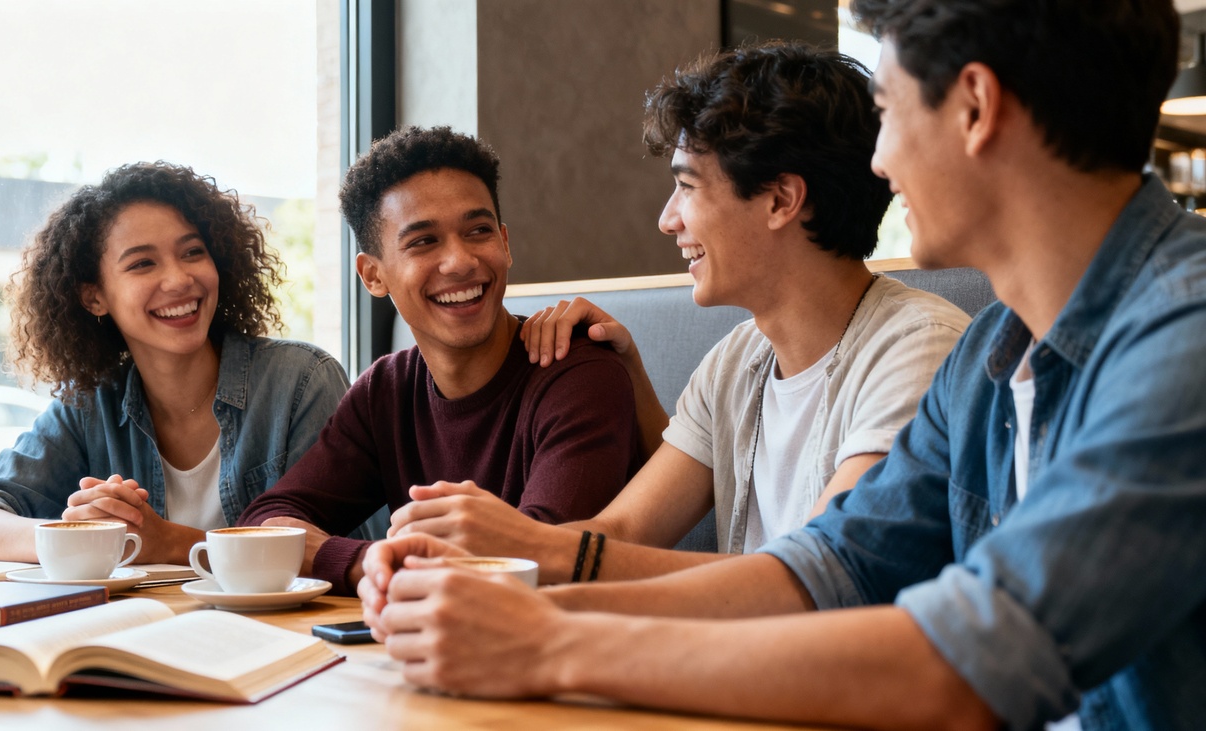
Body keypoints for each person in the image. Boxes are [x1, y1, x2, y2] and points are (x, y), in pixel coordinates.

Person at [360, 1, 1206, 728]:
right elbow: (828, 567)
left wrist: (550, 640)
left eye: (891, 110)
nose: (878, 162)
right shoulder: (989, 356)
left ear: (976, 108)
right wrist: (508, 606)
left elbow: (973, 659)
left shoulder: (1185, 334)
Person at [384, 42, 969, 584]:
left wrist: (528, 550)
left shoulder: (919, 348)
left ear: (780, 200)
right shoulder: (739, 360)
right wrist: (484, 554)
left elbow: (811, 576)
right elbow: (625, 531)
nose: (668, 220)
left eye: (687, 187)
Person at [236, 126, 642, 596]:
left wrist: (366, 563)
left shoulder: (578, 372)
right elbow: (267, 523)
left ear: (505, 243)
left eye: (478, 231)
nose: (460, 261)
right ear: (373, 275)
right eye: (423, 241)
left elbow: (536, 563)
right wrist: (369, 563)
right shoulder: (385, 391)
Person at [0, 162, 350, 565]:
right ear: (94, 297)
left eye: (192, 252)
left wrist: (170, 543)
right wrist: (75, 539)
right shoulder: (90, 407)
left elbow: (338, 554)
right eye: (142, 263)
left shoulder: (301, 381)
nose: (178, 279)